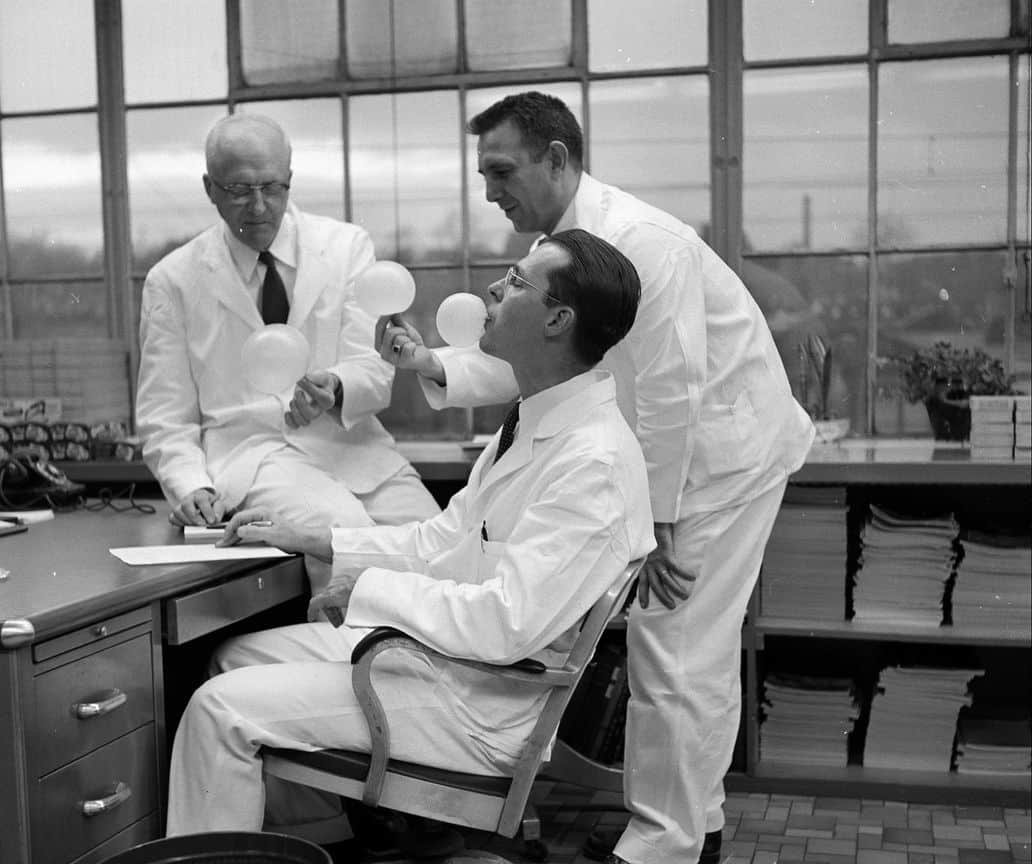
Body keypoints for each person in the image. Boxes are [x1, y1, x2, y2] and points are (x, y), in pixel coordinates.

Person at [377, 92, 816, 864]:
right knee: (677, 650)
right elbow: (547, 354)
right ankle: (691, 827)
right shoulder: (564, 246)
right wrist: (427, 363)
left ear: (558, 157)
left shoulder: (641, 240)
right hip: (677, 455)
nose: (490, 191)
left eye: (502, 169)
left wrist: (662, 519)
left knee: (678, 650)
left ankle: (668, 844)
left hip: (719, 458)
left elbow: (673, 387)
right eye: (483, 174)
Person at [164, 229, 657, 850]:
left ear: (558, 319)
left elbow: (506, 622)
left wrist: (367, 589)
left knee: (218, 709)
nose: (495, 288)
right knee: (231, 659)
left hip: (477, 703)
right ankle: (308, 844)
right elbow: (443, 538)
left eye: (518, 281)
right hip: (456, 666)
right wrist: (318, 539)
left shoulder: (592, 464)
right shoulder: (537, 421)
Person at [136, 112, 438, 554]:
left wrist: (335, 387)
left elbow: (374, 372)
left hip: (356, 453)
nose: (259, 206)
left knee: (440, 540)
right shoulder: (174, 280)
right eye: (239, 190)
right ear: (209, 188)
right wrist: (191, 486)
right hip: (255, 460)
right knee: (341, 533)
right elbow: (165, 415)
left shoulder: (346, 248)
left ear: (289, 179)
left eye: (272, 187)